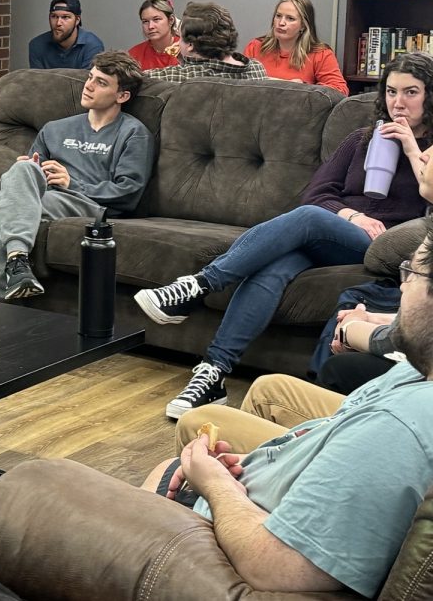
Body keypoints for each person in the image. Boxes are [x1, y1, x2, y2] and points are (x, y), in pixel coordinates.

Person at [143, 218, 433, 597]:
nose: (401, 285)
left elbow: (280, 568)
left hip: (252, 540)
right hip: (273, 494)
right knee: (282, 264)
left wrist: (215, 485)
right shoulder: (418, 372)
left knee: (56, 490)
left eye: (410, 271)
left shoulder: (397, 428)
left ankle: (201, 293)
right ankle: (213, 362)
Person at [135, 51, 433, 419]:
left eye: (411, 92)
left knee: (306, 218)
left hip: (384, 244)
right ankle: (213, 374)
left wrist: (409, 146)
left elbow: (428, 200)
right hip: (338, 233)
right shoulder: (361, 139)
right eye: (390, 92)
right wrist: (351, 214)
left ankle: (201, 284)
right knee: (273, 268)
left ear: (429, 96)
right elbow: (318, 193)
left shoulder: (430, 149)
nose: (398, 103)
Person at [0, 51, 154, 301]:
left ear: (122, 95)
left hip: (91, 204)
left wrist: (73, 183)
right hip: (48, 196)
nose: (89, 86)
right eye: (90, 77)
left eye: (101, 83)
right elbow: (29, 177)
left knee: (3, 206)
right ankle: (17, 266)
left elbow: (129, 192)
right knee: (21, 170)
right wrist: (31, 169)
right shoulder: (55, 128)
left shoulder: (133, 134)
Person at [243, 0, 348, 95]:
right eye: (278, 16)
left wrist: (302, 87)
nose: (281, 23)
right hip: (257, 108)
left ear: (303, 26)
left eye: (290, 18)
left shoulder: (320, 54)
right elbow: (239, 82)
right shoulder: (255, 46)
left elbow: (340, 90)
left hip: (298, 111)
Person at [142, 1, 268, 83]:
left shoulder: (182, 77)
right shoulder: (256, 69)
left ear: (190, 45)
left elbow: (132, 79)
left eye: (180, 38)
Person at [26, 0, 105, 70]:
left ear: (77, 20)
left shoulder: (92, 45)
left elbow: (88, 82)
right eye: (54, 16)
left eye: (65, 17)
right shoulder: (37, 45)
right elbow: (38, 81)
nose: (58, 23)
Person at [127, 0, 180, 69]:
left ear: (171, 20)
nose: (150, 26)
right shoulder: (133, 55)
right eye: (145, 21)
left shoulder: (187, 51)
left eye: (156, 19)